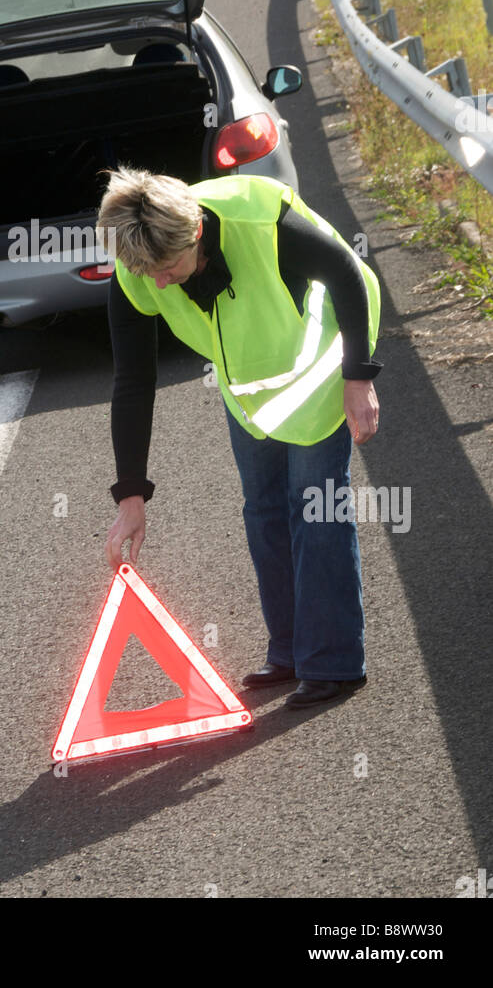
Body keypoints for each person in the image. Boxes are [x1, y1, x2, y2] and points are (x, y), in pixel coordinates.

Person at [95, 166, 382, 709]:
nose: (158, 283)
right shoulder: (138, 266)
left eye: (168, 269)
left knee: (313, 503)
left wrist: (359, 376)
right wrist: (130, 496)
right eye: (146, 272)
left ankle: (334, 663)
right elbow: (133, 381)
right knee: (264, 508)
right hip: (251, 379)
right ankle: (292, 653)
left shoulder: (260, 222)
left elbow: (346, 272)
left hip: (323, 353)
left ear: (196, 233)